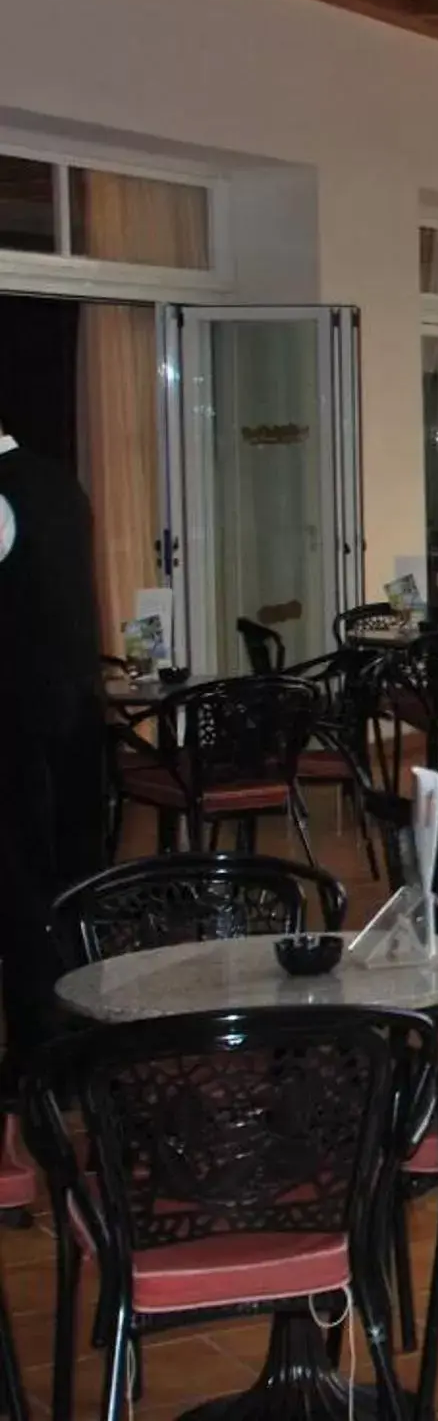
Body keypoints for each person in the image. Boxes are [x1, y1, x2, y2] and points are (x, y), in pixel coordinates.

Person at [0, 420, 108, 1093]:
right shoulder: (58, 483)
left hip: (17, 721)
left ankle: (40, 1059)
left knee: (22, 892)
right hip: (75, 711)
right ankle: (80, 1038)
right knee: (73, 881)